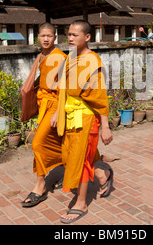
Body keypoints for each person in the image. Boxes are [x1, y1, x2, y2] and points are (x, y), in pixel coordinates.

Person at [57, 20, 114, 224]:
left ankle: (81, 203)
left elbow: (100, 98)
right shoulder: (70, 57)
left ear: (87, 37)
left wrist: (105, 127)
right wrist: (58, 111)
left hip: (87, 118)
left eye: (75, 35)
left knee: (80, 160)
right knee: (69, 156)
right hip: (69, 115)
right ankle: (103, 173)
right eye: (69, 34)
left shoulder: (92, 61)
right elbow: (62, 87)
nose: (70, 38)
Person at [20, 22, 66, 207]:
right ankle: (70, 162)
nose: (46, 39)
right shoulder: (41, 56)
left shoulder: (60, 57)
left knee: (37, 143)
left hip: (55, 104)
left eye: (49, 36)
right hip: (43, 104)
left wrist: (58, 111)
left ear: (55, 37)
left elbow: (64, 87)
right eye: (42, 36)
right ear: (37, 37)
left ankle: (40, 186)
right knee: (57, 142)